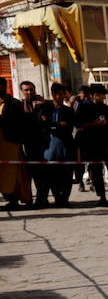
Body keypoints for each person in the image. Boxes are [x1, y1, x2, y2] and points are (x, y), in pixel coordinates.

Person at [35, 83, 76, 207]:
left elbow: (68, 126)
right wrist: (57, 124)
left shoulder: (68, 110)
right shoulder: (45, 109)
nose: (59, 96)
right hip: (49, 148)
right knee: (51, 175)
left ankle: (65, 199)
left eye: (62, 93)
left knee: (67, 175)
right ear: (53, 94)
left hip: (65, 147)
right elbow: (41, 124)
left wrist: (50, 124)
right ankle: (57, 198)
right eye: (57, 93)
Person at [76, 84, 108, 206]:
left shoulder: (105, 108)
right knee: (96, 171)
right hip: (91, 145)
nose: (104, 97)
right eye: (102, 94)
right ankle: (102, 196)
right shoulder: (84, 107)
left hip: (105, 143)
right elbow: (78, 125)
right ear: (95, 95)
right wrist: (94, 124)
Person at [0, 78, 32, 209]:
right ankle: (9, 198)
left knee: (14, 173)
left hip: (11, 144)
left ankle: (17, 198)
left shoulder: (14, 104)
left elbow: (21, 124)